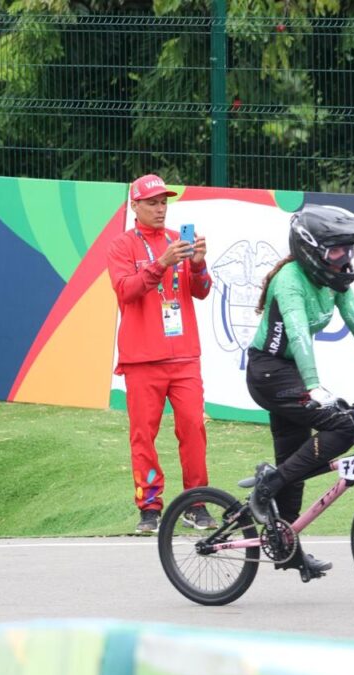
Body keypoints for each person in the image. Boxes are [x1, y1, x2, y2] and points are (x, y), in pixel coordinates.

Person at [246, 204, 354, 577]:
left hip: (290, 376)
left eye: (350, 250)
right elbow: (299, 335)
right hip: (269, 373)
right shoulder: (290, 280)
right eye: (336, 250)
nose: (344, 259)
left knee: (294, 464)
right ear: (311, 250)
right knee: (345, 426)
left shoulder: (334, 281)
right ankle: (268, 485)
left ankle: (287, 547)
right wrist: (314, 386)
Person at [107, 174, 215, 534]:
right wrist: (161, 263)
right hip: (142, 359)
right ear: (135, 206)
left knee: (194, 428)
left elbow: (200, 292)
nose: (159, 208)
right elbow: (126, 290)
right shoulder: (122, 246)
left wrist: (197, 263)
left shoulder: (177, 241)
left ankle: (195, 503)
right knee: (143, 435)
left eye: (164, 202)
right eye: (152, 202)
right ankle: (150, 507)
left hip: (184, 356)